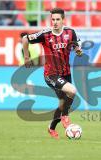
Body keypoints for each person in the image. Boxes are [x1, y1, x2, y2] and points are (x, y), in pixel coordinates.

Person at [22, 8, 83, 139]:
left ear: (63, 20)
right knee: (72, 91)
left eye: (57, 19)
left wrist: (78, 50)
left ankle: (51, 128)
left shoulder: (70, 32)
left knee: (62, 103)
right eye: (53, 19)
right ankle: (65, 117)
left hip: (66, 73)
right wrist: (26, 57)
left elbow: (76, 44)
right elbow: (25, 39)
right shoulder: (45, 34)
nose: (55, 22)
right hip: (51, 74)